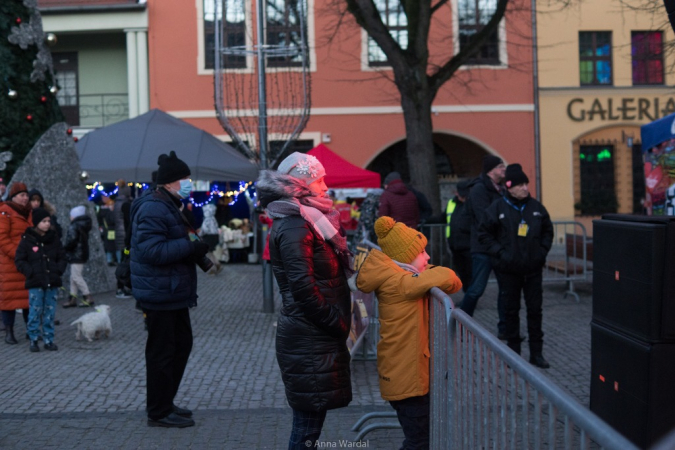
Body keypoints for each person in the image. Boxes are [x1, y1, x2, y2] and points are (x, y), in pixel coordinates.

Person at [256, 152, 353, 449]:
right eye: (319, 180)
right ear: (302, 186)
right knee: (307, 429)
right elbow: (303, 289)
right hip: (310, 335)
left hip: (312, 334)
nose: (325, 187)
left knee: (310, 426)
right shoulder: (297, 225)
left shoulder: (309, 219)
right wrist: (337, 324)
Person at [355, 216, 462, 450]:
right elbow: (449, 276)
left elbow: (452, 283)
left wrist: (423, 272)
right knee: (419, 442)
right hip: (406, 380)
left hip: (405, 375)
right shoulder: (400, 283)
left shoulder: (397, 276)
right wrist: (426, 274)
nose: (428, 257)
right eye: (422, 252)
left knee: (420, 438)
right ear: (404, 259)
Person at [130, 151, 207, 428]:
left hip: (171, 291)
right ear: (171, 182)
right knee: (163, 352)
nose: (189, 183)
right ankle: (158, 411)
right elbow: (151, 250)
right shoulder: (154, 207)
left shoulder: (168, 204)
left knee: (180, 346)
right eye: (185, 178)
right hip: (159, 292)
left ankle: (166, 402)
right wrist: (190, 247)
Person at [478, 164, 553, 368]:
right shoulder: (497, 209)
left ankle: (536, 353)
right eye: (520, 185)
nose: (524, 188)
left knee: (535, 310)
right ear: (509, 187)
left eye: (526, 184)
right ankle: (513, 353)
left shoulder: (536, 208)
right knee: (511, 310)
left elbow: (548, 231)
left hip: (533, 269)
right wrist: (501, 254)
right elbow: (484, 234)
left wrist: (541, 253)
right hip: (508, 270)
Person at [459, 155, 507, 336]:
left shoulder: (501, 189)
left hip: (499, 247)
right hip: (483, 247)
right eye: (501, 167)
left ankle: (505, 328)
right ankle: (462, 324)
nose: (504, 170)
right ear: (491, 170)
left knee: (505, 290)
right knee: (476, 289)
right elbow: (484, 218)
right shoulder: (479, 189)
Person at [15, 208, 67, 352]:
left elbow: (62, 257)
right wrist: (29, 272)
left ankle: (49, 339)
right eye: (43, 221)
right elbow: (19, 259)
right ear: (36, 223)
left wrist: (58, 270)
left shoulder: (54, 239)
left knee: (50, 312)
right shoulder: (27, 240)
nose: (47, 224)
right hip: (35, 282)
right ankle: (33, 339)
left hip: (52, 281)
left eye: (48, 221)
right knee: (35, 311)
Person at [0, 182, 32, 344]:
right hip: (10, 264)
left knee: (28, 299)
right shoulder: (5, 212)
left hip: (27, 263)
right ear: (14, 197)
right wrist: (18, 254)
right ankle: (9, 332)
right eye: (22, 195)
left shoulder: (29, 213)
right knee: (9, 300)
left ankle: (30, 330)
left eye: (26, 195)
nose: (25, 198)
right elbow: (2, 238)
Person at [63, 206, 95, 308]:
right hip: (82, 253)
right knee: (73, 277)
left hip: (76, 254)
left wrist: (65, 248)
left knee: (76, 277)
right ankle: (72, 298)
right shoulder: (83, 225)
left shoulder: (74, 226)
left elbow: (71, 241)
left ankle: (87, 296)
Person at [447, 180, 472, 290]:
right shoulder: (452, 203)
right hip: (455, 245)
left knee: (469, 273)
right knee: (462, 273)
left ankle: (469, 298)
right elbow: (444, 217)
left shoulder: (471, 204)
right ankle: (467, 294)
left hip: (468, 246)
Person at [97, 194, 117, 266]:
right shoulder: (111, 210)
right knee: (114, 245)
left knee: (108, 245)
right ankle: (116, 259)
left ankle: (109, 259)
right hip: (112, 229)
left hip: (105, 229)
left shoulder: (101, 209)